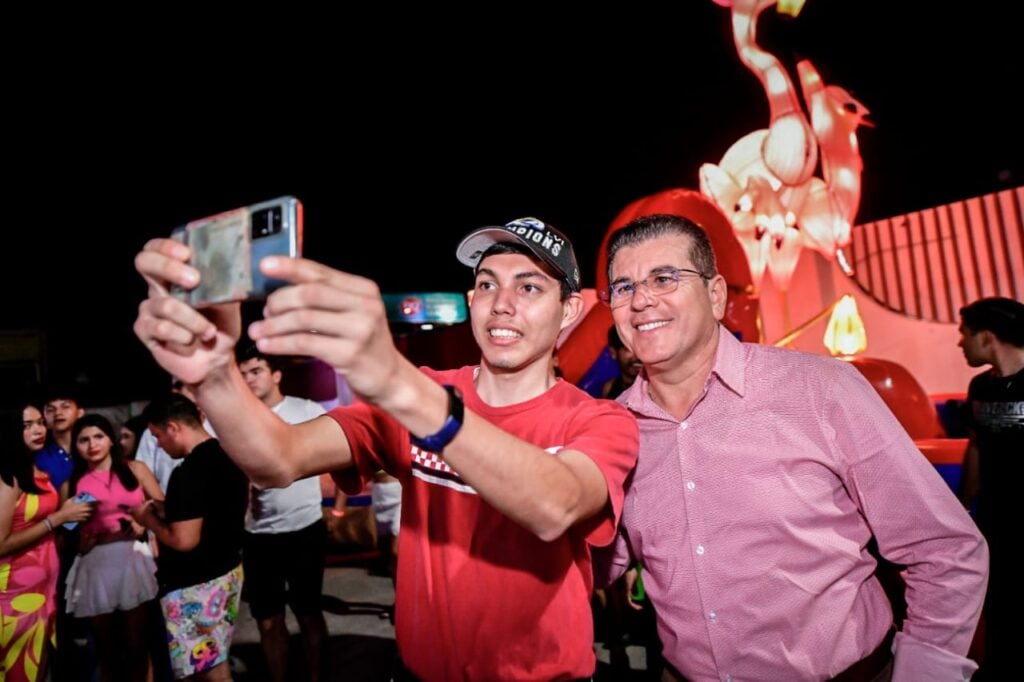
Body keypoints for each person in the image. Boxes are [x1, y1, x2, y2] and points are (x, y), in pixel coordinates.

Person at [132, 215, 639, 680]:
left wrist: (398, 383)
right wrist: (213, 374)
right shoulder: (422, 394)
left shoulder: (599, 419)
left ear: (570, 309)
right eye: (487, 284)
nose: (502, 303)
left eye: (529, 287)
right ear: (470, 300)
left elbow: (557, 504)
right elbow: (276, 459)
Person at [594, 214, 988, 681]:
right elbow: (596, 562)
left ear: (716, 294)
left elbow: (944, 547)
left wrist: (924, 673)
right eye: (623, 287)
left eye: (664, 278)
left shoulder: (821, 389)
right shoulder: (612, 427)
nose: (642, 300)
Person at [132, 394, 249, 682]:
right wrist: (169, 509)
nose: (158, 444)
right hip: (227, 570)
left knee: (203, 671)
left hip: (197, 584)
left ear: (173, 427)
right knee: (215, 662)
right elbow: (214, 511)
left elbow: (184, 540)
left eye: (158, 436)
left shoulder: (189, 472)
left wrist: (147, 519)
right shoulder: (228, 456)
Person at [235, 343, 329, 682]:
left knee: (308, 613)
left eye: (256, 371)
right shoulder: (234, 422)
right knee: (267, 619)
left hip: (305, 528)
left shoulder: (307, 411)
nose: (248, 379)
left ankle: (318, 676)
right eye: (242, 374)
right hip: (258, 536)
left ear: (276, 375)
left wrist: (336, 507)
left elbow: (331, 464)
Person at [64, 414, 163, 682]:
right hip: (96, 563)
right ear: (76, 446)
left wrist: (144, 521)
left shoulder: (135, 469)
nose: (92, 444)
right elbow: (67, 528)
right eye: (83, 440)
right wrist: (81, 542)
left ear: (111, 439)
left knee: (138, 644)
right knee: (106, 648)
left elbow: (161, 505)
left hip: (133, 557)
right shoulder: (74, 481)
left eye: (98, 436)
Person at [1, 401, 93, 682]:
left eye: (40, 422)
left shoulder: (38, 472)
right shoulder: (7, 477)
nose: (39, 430)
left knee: (37, 670)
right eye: (27, 426)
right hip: (14, 594)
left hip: (43, 591)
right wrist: (57, 518)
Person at [957, 296, 1024, 679]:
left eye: (963, 334)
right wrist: (962, 506)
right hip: (996, 517)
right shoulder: (980, 386)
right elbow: (977, 447)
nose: (959, 343)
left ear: (986, 337)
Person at [601, 325, 642, 399]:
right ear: (613, 352)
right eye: (629, 349)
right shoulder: (609, 388)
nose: (638, 356)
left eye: (642, 348)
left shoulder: (655, 388)